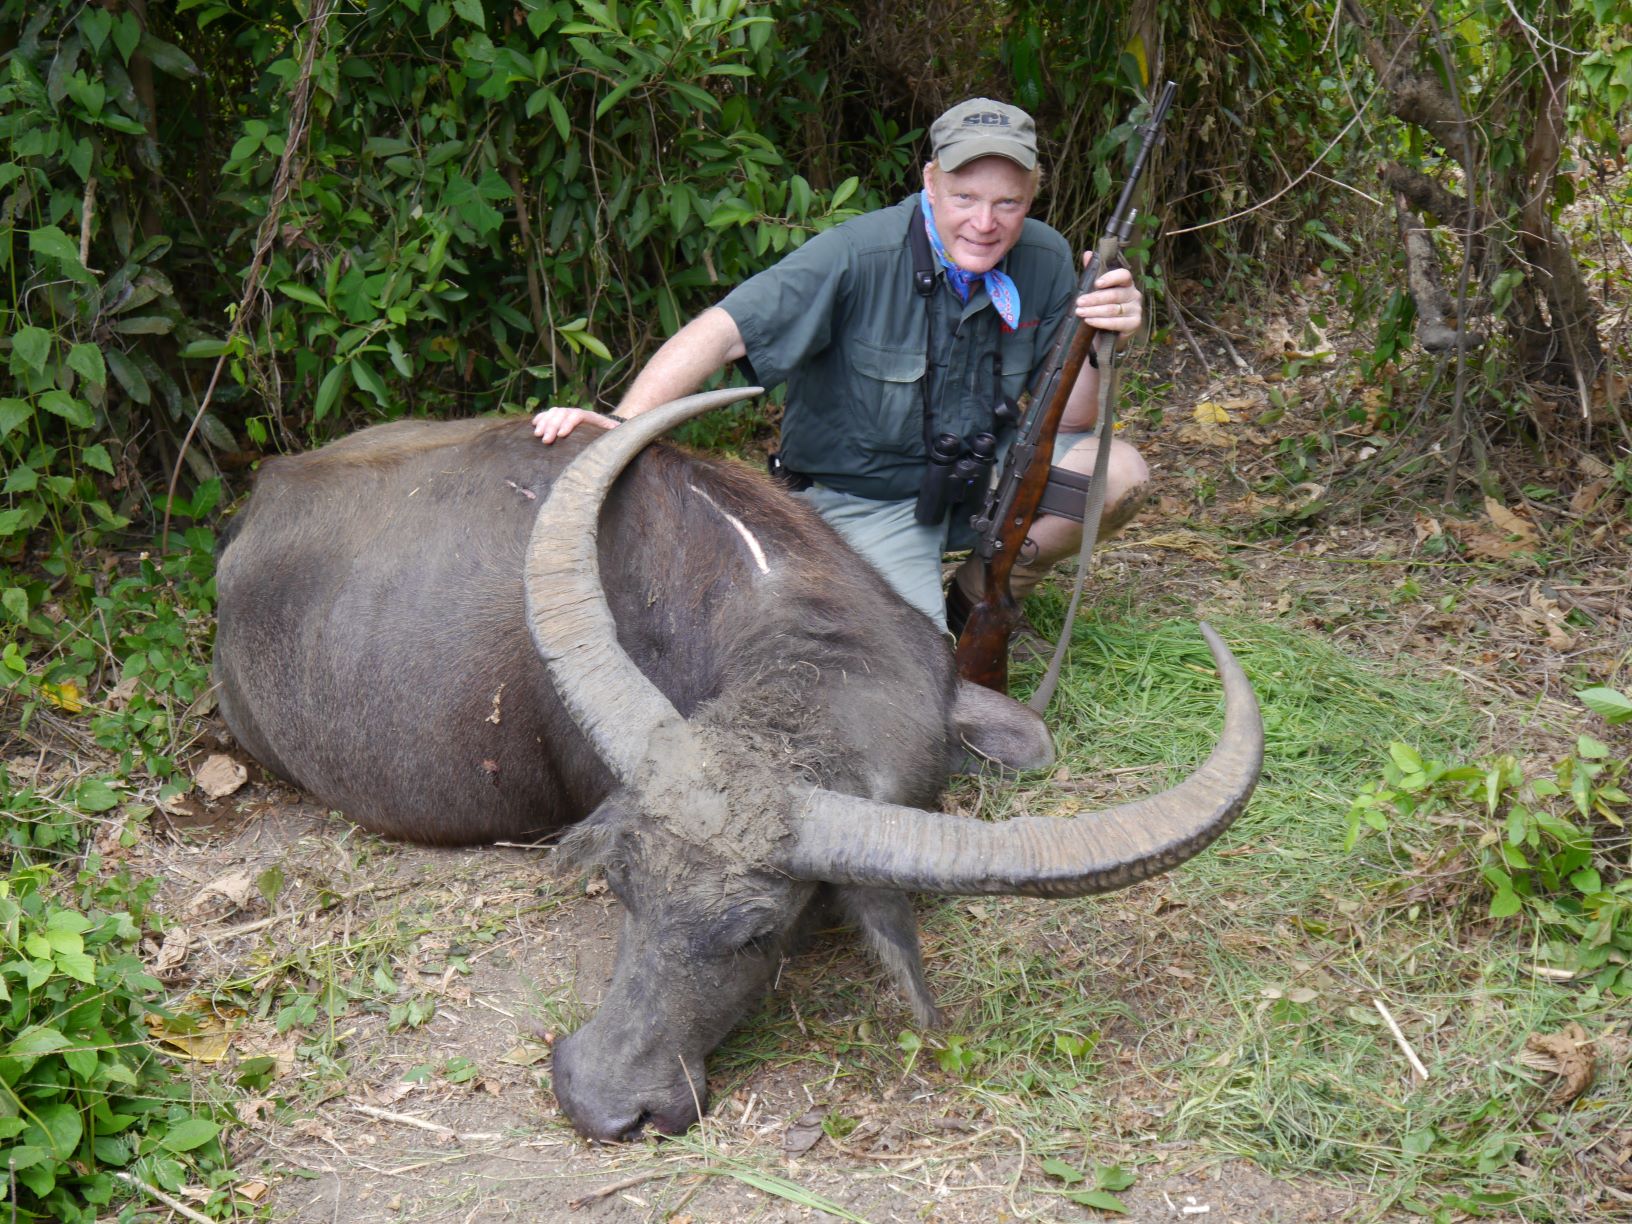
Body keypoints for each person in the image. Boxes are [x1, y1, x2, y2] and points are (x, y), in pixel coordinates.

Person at [533, 98, 1147, 638]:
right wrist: (621, 426)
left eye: (1006, 203)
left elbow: (1074, 419)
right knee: (912, 675)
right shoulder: (857, 254)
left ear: (1032, 195)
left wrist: (1095, 338)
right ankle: (890, 599)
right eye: (965, 198)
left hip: (981, 479)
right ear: (931, 182)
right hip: (866, 502)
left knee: (1116, 474)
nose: (984, 224)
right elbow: (721, 333)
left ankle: (980, 590)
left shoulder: (1045, 256)